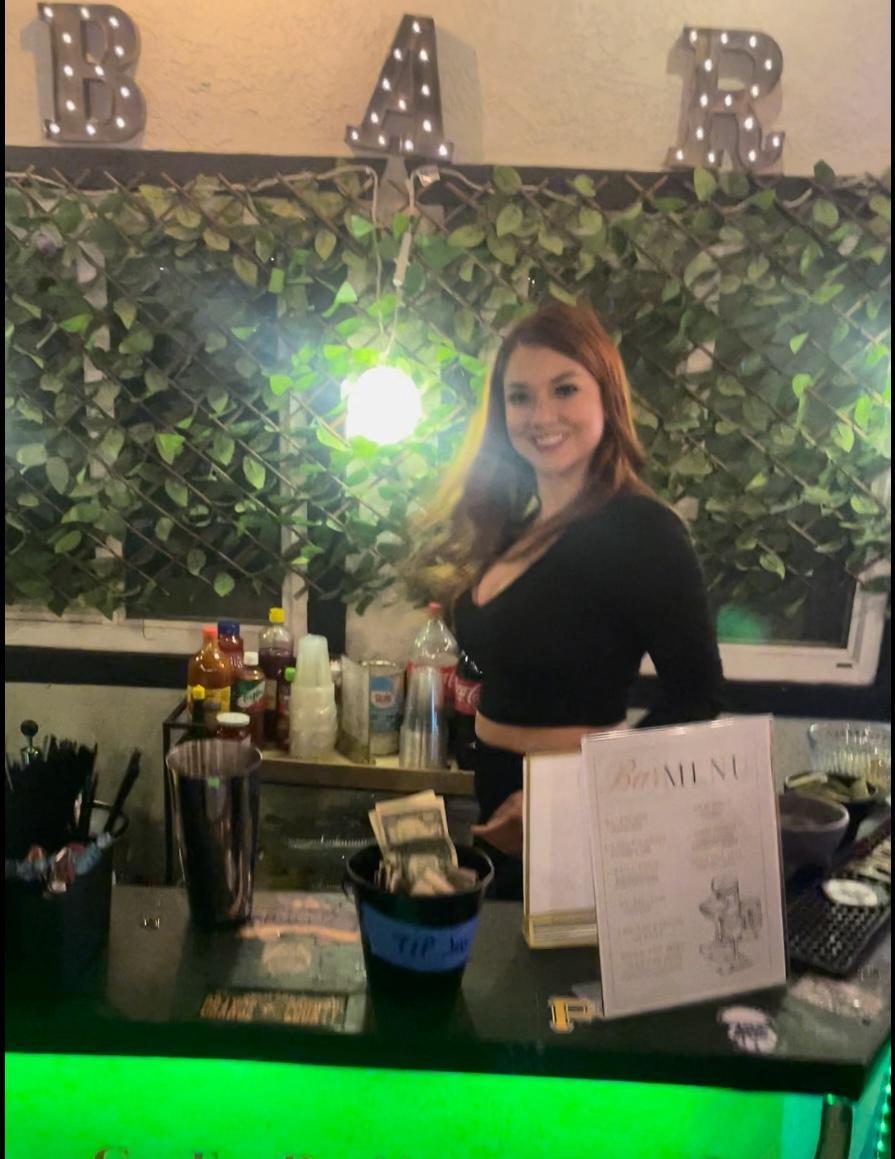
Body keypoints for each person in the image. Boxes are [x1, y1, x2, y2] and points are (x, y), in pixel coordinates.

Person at [409, 302, 724, 899]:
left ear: (606, 397)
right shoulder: (516, 527)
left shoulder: (643, 530)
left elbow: (698, 697)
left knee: (548, 961)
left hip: (575, 815)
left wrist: (572, 797)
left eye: (564, 389)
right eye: (520, 397)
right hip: (498, 796)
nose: (542, 415)